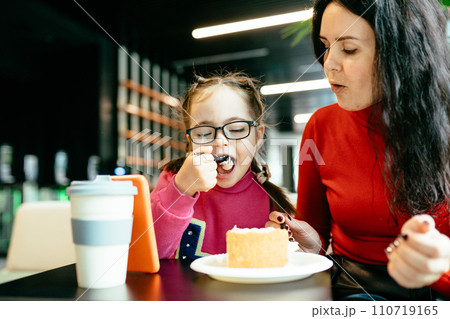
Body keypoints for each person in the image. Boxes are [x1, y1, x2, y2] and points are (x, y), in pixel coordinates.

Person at [268, 0, 449, 300]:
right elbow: (314, 235)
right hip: (353, 290)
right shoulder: (320, 126)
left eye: (349, 49)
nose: (328, 64)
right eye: (325, 46)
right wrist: (303, 243)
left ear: (403, 53)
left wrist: (442, 267)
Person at [150, 72, 306, 261]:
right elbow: (151, 253)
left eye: (236, 129)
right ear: (190, 140)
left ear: (257, 137)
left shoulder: (271, 202)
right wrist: (182, 189)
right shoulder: (173, 179)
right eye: (204, 132)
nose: (220, 141)